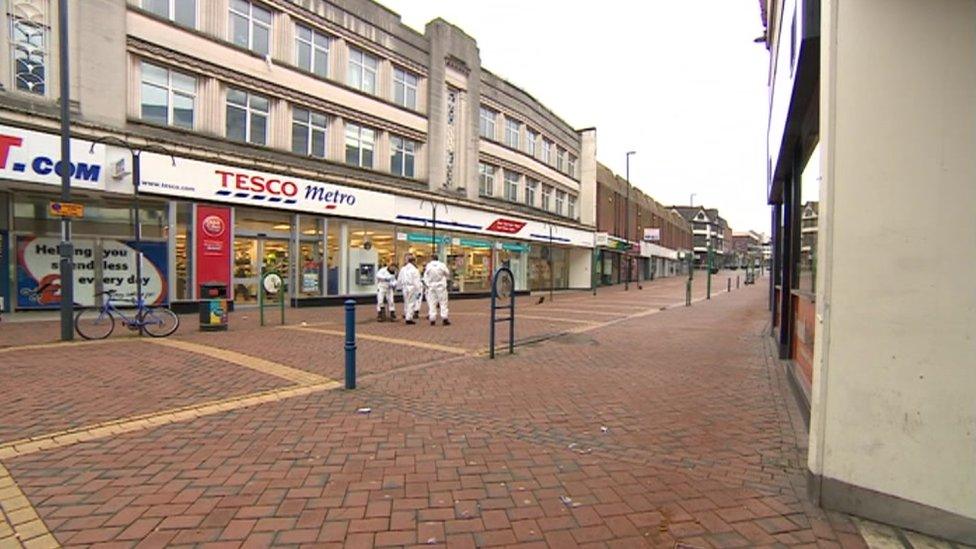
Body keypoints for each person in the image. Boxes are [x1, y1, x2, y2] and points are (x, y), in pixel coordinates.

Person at [423, 254, 451, 326]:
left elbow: (425, 276)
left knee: (432, 303)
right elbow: (447, 273)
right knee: (443, 302)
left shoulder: (428, 266)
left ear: (431, 259)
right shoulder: (442, 265)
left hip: (431, 286)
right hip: (441, 286)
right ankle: (444, 318)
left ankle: (432, 318)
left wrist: (427, 284)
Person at [397, 253, 423, 325]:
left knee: (406, 301)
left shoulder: (403, 269)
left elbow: (399, 279)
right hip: (412, 287)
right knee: (411, 302)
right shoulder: (415, 270)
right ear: (413, 261)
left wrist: (398, 287)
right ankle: (409, 318)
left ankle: (406, 314)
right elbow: (416, 281)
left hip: (404, 287)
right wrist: (418, 290)